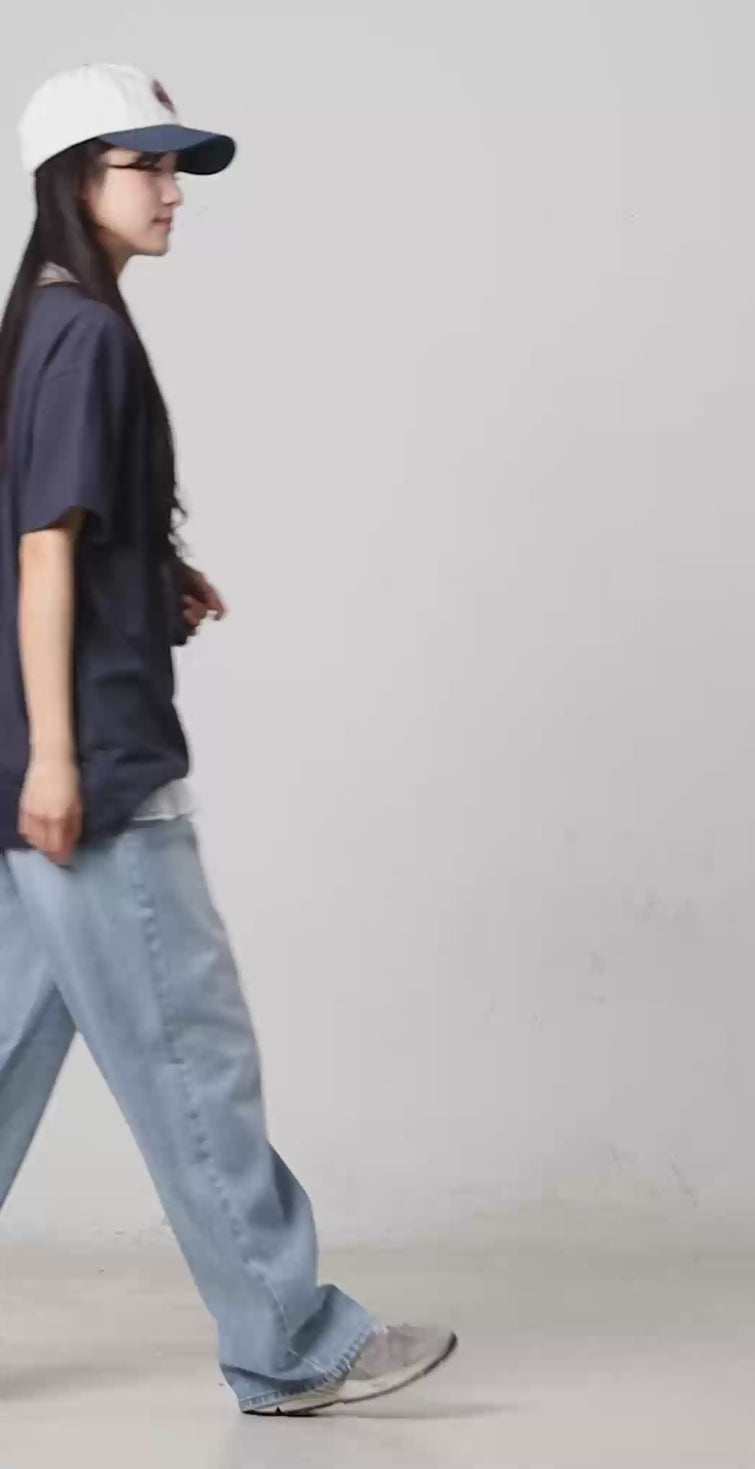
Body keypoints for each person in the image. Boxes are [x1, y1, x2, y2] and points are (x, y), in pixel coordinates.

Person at [0, 61, 458, 1416]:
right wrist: (64, 758)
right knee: (190, 1057)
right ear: (72, 181)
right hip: (92, 773)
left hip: (28, 761)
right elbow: (39, 553)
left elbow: (60, 528)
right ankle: (290, 1341)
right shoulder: (88, 336)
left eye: (175, 167)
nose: (170, 191)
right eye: (142, 166)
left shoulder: (41, 320)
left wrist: (157, 572)